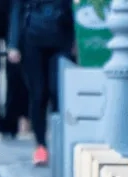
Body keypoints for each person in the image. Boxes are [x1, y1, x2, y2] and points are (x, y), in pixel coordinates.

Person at [8, 0, 75, 166]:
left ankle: (63, 144)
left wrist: (77, 40)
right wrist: (13, 44)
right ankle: (41, 146)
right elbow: (17, 10)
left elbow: (76, 8)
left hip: (61, 39)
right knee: (38, 94)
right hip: (32, 41)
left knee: (57, 91)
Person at [0, 0, 29, 140]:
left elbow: (16, 11)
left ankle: (11, 120)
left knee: (14, 67)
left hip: (11, 15)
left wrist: (13, 44)